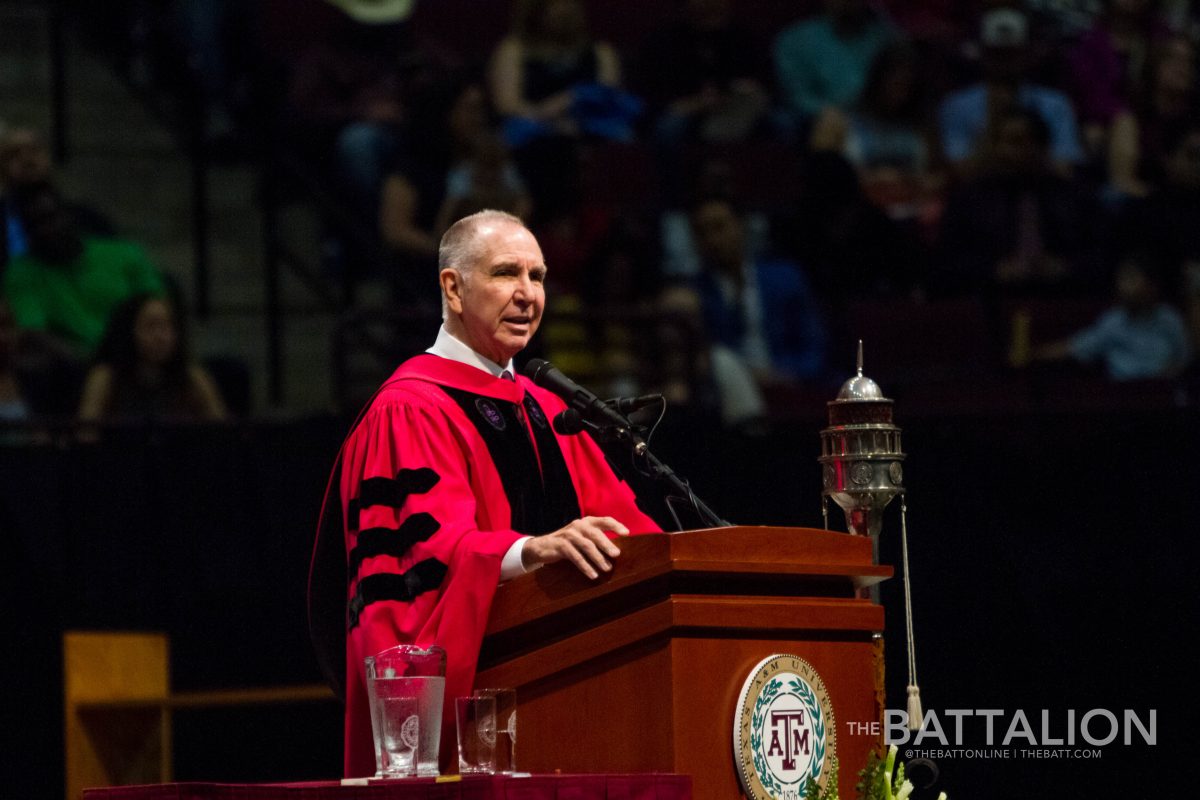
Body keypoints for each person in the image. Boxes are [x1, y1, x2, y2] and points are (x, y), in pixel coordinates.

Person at [311, 209, 662, 777]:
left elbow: (633, 534)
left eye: (539, 277)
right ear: (453, 287)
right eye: (506, 274)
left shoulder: (549, 409)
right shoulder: (409, 408)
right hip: (471, 719)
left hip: (574, 701)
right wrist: (533, 549)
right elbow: (419, 567)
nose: (527, 295)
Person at [3, 182, 164, 357]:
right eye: (34, 225)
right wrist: (93, 361)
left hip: (138, 358)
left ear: (69, 215)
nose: (46, 231)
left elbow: (159, 308)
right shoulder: (21, 273)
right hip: (71, 369)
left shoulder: (125, 254)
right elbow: (34, 334)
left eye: (51, 217)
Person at [938, 7, 1085, 176]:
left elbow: (1065, 169)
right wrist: (994, 123)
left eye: (1012, 53)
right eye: (997, 54)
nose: (1005, 62)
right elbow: (961, 173)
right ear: (983, 53)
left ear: (1027, 53)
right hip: (982, 197)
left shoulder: (1055, 104)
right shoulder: (957, 106)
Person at [1031, 253, 1191, 379]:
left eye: (1131, 279)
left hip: (1162, 398)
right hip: (1123, 398)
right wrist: (1032, 355)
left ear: (1152, 285)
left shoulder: (1170, 319)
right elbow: (1077, 347)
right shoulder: (1113, 321)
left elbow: (1184, 358)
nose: (1123, 286)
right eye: (1121, 279)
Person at [77, 294, 227, 423]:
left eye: (167, 326)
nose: (160, 337)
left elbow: (223, 435)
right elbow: (87, 438)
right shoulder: (106, 377)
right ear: (128, 332)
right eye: (151, 326)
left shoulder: (192, 377)